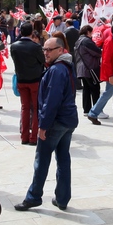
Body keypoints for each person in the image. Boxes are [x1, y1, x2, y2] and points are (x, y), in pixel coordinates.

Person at [15, 37, 79, 211]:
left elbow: (52, 100)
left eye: (50, 50)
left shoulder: (57, 70)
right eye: (44, 49)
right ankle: (62, 198)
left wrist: (43, 125)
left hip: (56, 122)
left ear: (60, 50)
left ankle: (34, 196)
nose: (46, 53)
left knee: (42, 160)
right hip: (67, 120)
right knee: (63, 158)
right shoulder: (64, 66)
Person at [10, 21, 46, 146]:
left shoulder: (14, 46)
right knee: (36, 108)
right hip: (35, 80)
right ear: (31, 32)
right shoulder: (35, 46)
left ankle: (24, 136)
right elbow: (43, 61)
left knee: (25, 108)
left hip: (21, 80)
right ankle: (33, 137)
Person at [86, 22, 113, 125]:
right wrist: (110, 75)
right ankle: (93, 113)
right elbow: (106, 60)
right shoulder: (110, 41)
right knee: (108, 94)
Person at [74, 25, 102, 115]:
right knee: (95, 89)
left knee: (86, 89)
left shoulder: (78, 41)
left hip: (82, 68)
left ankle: (87, 109)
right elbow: (97, 52)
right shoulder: (86, 41)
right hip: (89, 68)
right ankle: (96, 110)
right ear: (88, 32)